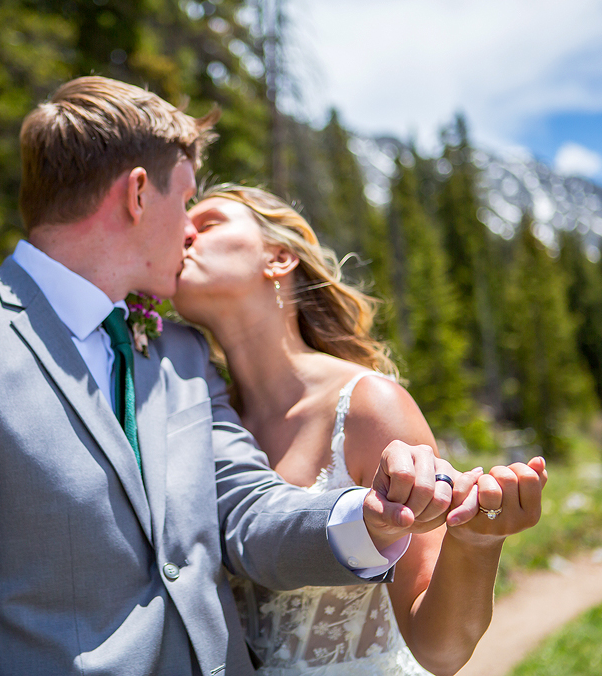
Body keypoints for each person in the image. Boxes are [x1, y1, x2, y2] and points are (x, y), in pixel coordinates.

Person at [0, 77, 482, 676]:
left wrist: (370, 523)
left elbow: (243, 509)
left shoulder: (178, 352)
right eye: (188, 200)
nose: (189, 229)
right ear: (139, 194)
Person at [172, 184, 548, 675]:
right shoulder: (200, 422)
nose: (184, 232)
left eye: (209, 223)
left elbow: (441, 652)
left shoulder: (370, 407)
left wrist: (475, 544)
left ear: (279, 258)